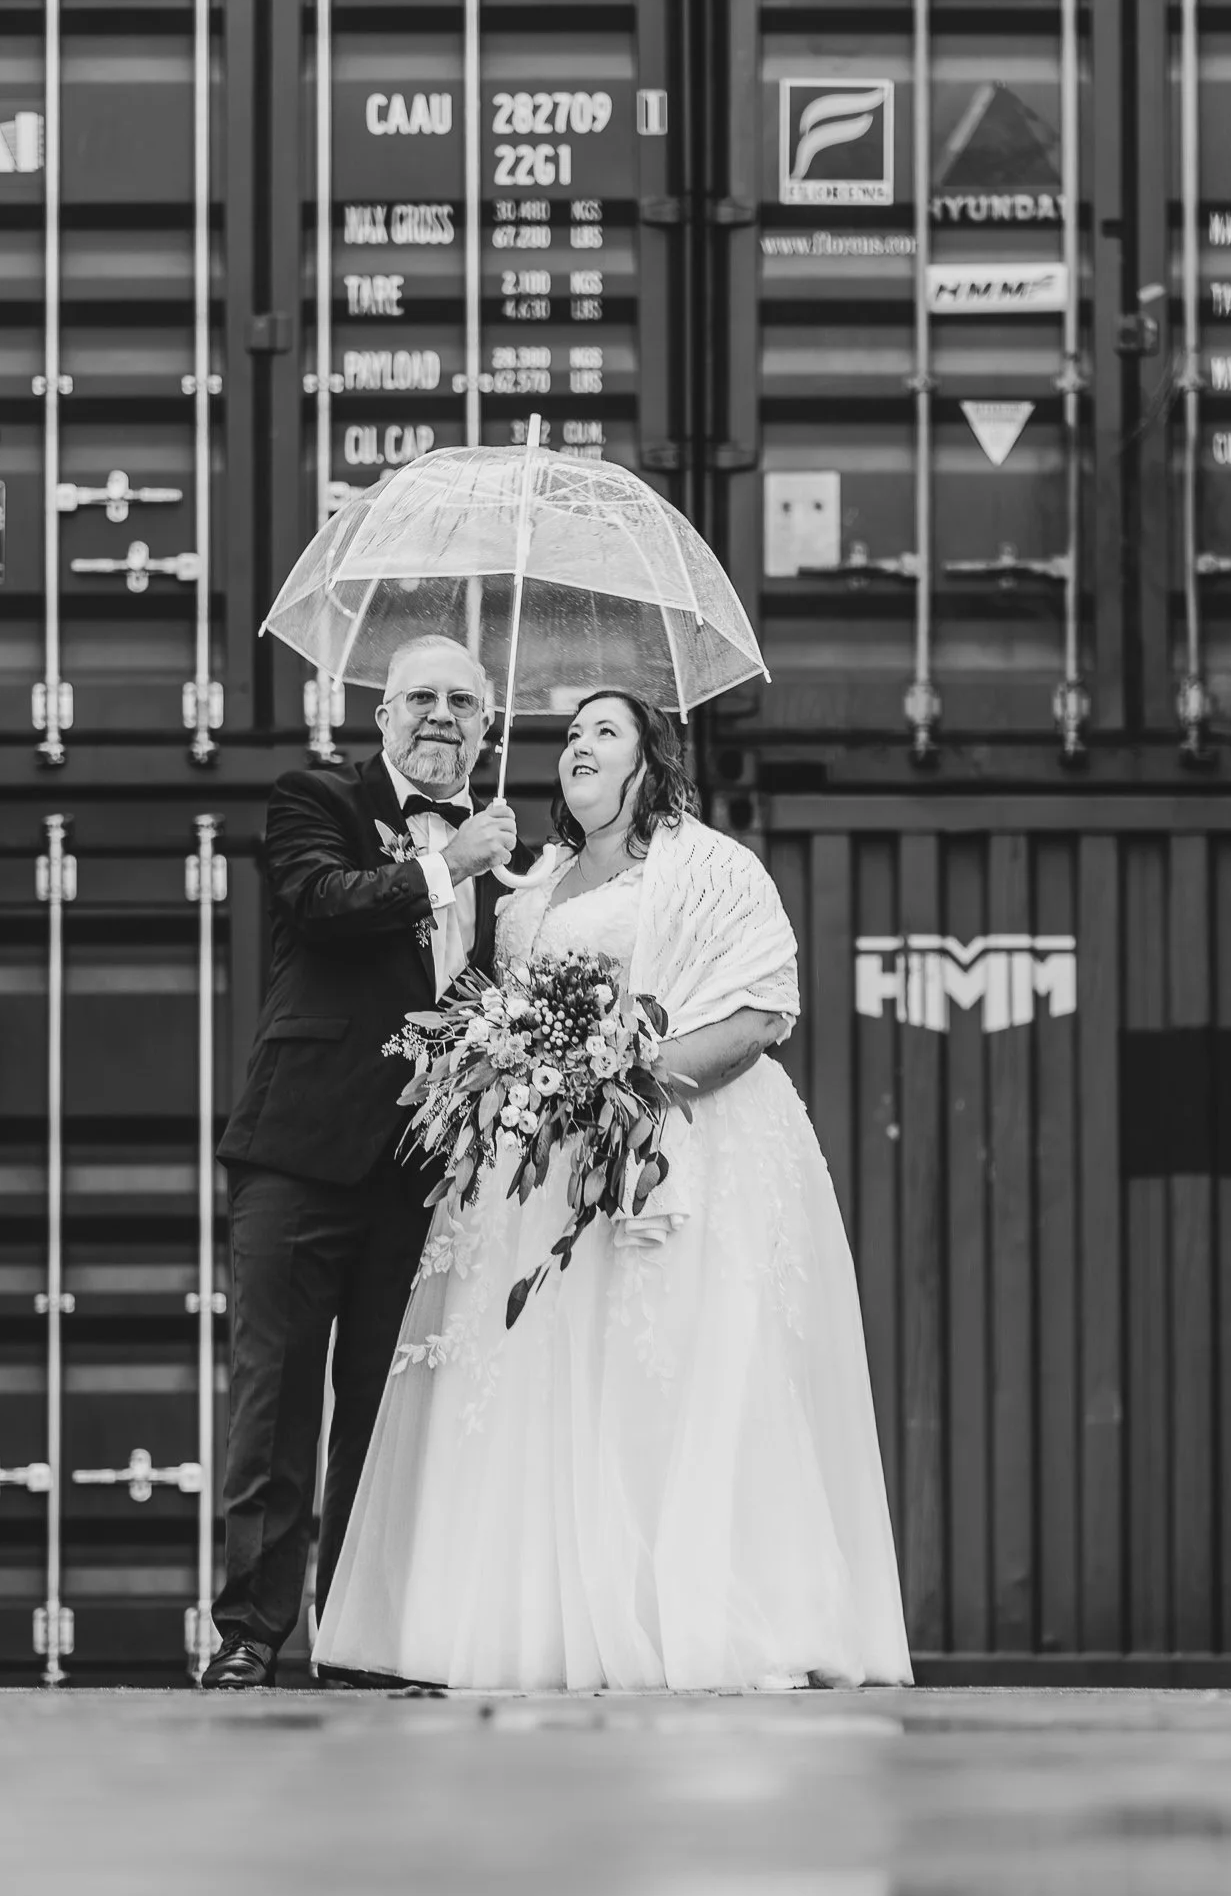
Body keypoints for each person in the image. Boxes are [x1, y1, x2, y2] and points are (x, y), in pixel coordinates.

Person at [313, 690, 913, 1691]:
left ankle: (686, 1618)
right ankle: (548, 1624)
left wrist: (625, 1078)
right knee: (554, 1385)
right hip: (550, 1171)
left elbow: (762, 1011)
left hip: (681, 1156)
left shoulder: (714, 868)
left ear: (648, 759)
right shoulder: (533, 881)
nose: (579, 746)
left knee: (672, 1379)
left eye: (604, 730)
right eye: (570, 734)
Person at [202, 636, 518, 1691]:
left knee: (388, 1418)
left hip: (422, 1173)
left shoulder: (509, 856)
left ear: (487, 726)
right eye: (419, 697)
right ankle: (250, 1635)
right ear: (381, 717)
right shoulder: (315, 799)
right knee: (275, 1402)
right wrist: (447, 863)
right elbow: (321, 902)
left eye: (462, 702)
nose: (441, 716)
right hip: (299, 1152)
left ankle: (355, 1638)